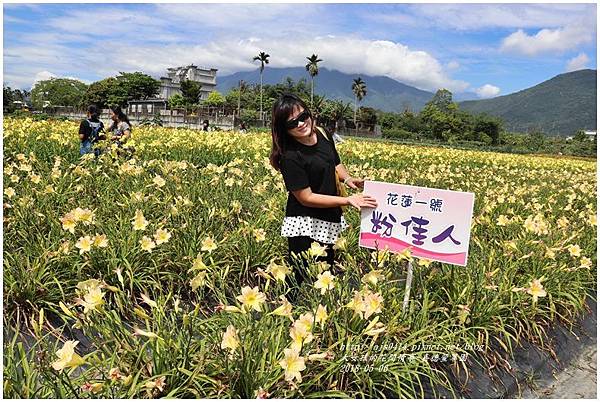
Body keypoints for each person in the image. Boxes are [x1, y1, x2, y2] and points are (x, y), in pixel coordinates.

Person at [269, 93, 378, 293]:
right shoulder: (290, 156)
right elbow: (306, 197)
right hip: (304, 222)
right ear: (284, 129)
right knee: (300, 277)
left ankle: (319, 316)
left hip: (329, 216)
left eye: (304, 116)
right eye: (293, 123)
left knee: (325, 272)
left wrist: (347, 179)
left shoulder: (322, 133)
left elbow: (335, 162)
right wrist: (347, 200)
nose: (301, 124)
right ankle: (292, 315)